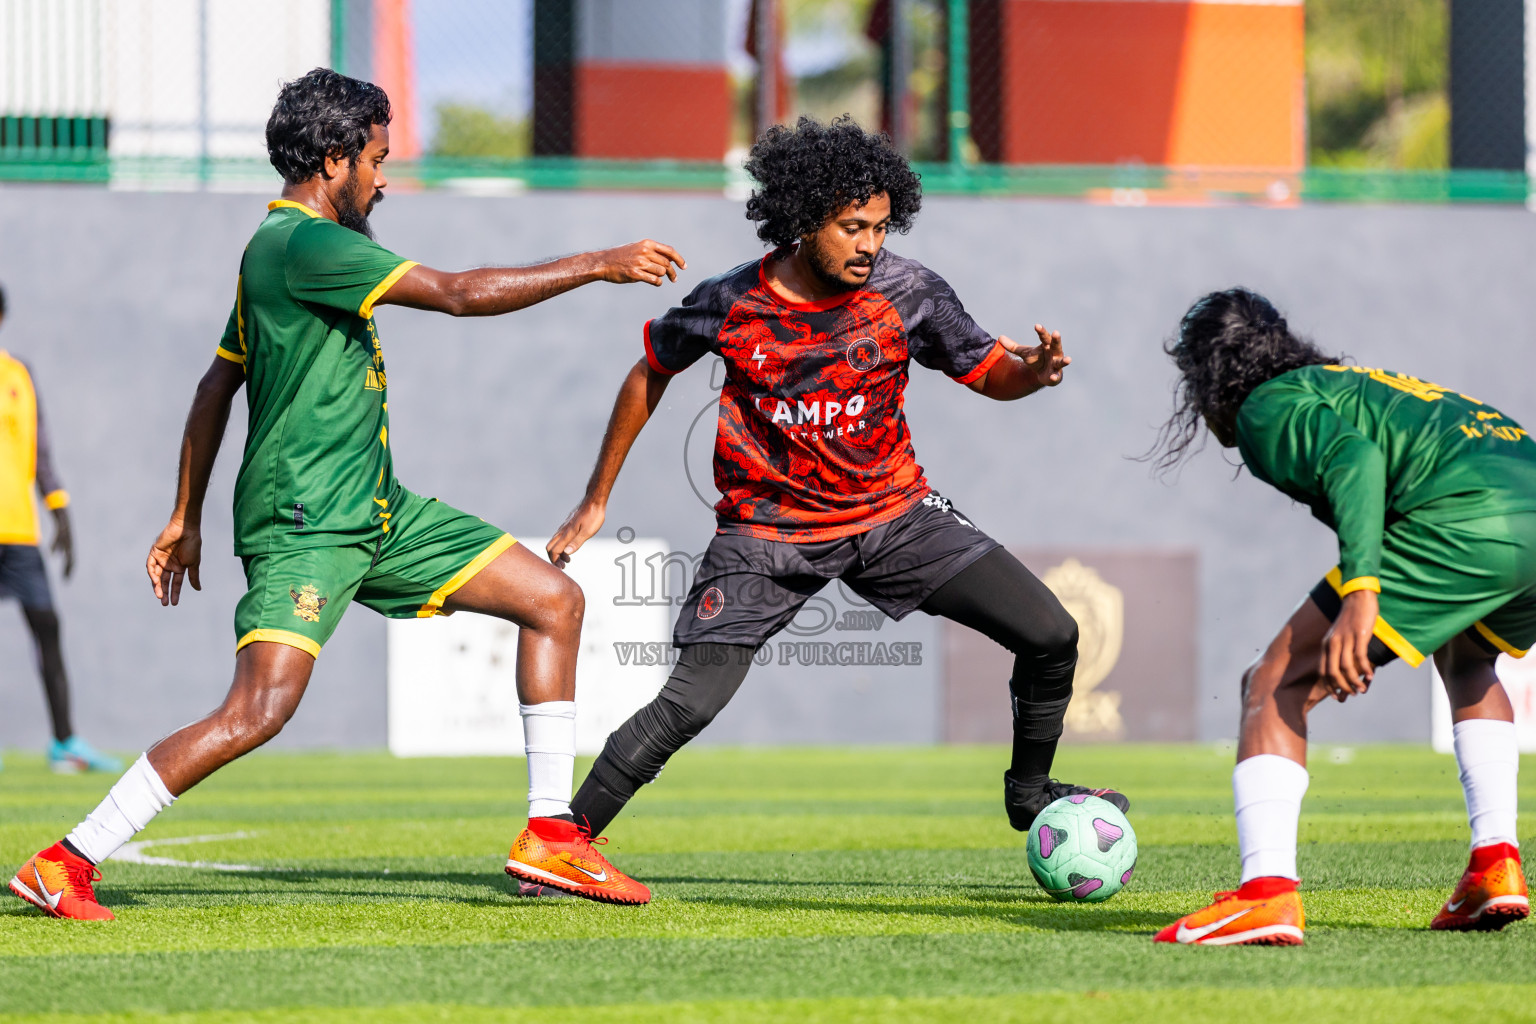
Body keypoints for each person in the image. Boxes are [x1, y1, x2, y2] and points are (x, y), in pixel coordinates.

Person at [8, 68, 686, 922]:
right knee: (258, 709)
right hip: (307, 523)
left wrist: (186, 516)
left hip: (377, 511)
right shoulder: (306, 244)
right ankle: (65, 859)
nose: (384, 178)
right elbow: (459, 294)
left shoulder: (277, 251)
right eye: (376, 158)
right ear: (333, 160)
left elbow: (218, 387)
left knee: (553, 600)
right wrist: (598, 262)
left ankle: (551, 833)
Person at [545, 117, 1128, 902]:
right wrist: (595, 498)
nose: (868, 244)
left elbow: (991, 370)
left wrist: (1037, 373)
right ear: (801, 219)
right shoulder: (731, 302)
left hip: (895, 515)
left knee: (1052, 633)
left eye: (881, 227)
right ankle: (561, 843)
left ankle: (1030, 795)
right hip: (767, 537)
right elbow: (650, 371)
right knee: (691, 702)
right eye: (852, 226)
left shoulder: (907, 291)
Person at [1150, 288, 1529, 946]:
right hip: (1523, 508)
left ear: (1210, 377)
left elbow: (1356, 459)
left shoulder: (1267, 406)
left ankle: (1265, 895)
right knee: (1468, 657)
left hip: (1468, 519)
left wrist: (1362, 594)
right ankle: (1495, 866)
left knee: (1272, 681)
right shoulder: (1343, 381)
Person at [0, 285, 120, 775]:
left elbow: (39, 449)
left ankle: (64, 742)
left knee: (47, 626)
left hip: (19, 531)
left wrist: (61, 513)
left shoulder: (18, 375)